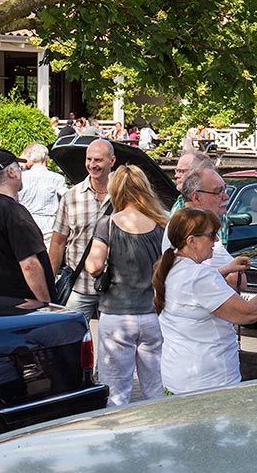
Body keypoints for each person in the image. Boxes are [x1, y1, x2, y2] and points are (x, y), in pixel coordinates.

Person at [154, 207, 257, 394]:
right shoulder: (201, 276)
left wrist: (226, 269)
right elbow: (249, 313)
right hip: (210, 382)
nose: (216, 240)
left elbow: (193, 293)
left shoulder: (169, 268)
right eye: (211, 235)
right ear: (191, 241)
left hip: (177, 376)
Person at [84, 165, 167, 406]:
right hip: (153, 315)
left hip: (117, 315)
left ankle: (117, 437)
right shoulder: (160, 222)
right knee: (155, 387)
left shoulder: (108, 223)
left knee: (117, 389)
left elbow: (93, 266)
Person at [0, 149, 55, 302]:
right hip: (16, 309)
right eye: (19, 169)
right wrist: (47, 304)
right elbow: (29, 264)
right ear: (12, 173)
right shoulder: (12, 211)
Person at [49, 139, 115, 322]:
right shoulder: (72, 197)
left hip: (114, 289)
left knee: (114, 347)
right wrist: (49, 281)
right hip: (79, 286)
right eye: (89, 160)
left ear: (112, 161)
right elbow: (58, 242)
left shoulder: (124, 196)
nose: (92, 165)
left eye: (98, 160)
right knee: (71, 342)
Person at [161, 163, 241, 289]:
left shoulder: (180, 223)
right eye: (218, 192)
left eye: (224, 190)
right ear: (196, 197)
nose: (226, 197)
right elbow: (237, 280)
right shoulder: (197, 229)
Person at [18, 142, 68, 248]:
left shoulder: (21, 177)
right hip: (48, 226)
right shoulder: (56, 178)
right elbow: (66, 197)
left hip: (25, 225)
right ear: (46, 159)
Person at [168, 149, 214, 216]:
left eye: (182, 171)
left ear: (199, 173)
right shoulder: (180, 201)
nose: (176, 175)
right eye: (177, 171)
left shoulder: (209, 205)